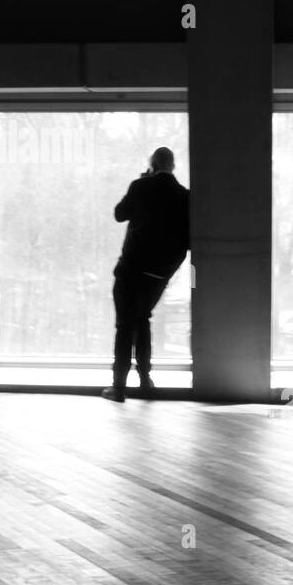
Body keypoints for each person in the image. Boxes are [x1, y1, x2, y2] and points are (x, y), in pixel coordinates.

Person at [102, 146, 189, 402]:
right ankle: (145, 380)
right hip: (159, 274)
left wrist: (142, 181)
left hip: (131, 268)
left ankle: (118, 387)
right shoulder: (185, 196)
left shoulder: (141, 187)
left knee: (125, 325)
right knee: (143, 319)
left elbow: (119, 214)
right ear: (172, 167)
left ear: (151, 165)